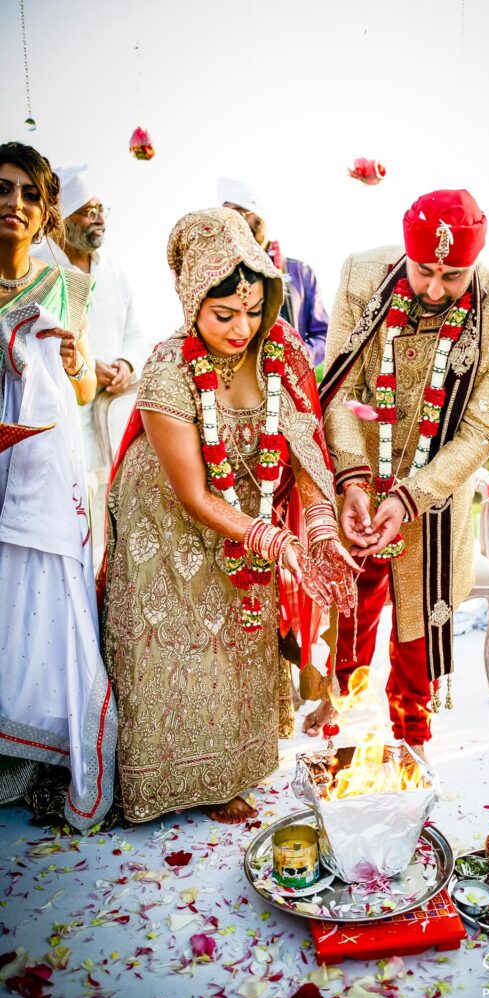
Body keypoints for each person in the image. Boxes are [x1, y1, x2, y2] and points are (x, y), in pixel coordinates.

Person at [101, 207, 356, 825]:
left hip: (247, 514)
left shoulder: (281, 353)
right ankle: (162, 779)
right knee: (175, 642)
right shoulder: (167, 366)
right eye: (224, 314)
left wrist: (318, 531)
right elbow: (192, 493)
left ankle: (231, 769)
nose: (242, 327)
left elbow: (304, 454)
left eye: (252, 310)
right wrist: (275, 538)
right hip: (162, 525)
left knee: (241, 630)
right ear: (192, 302)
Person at [307, 189, 489, 758]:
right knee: (351, 597)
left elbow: (481, 431)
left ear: (476, 264)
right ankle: (339, 694)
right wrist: (354, 482)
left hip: (434, 493)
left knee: (417, 618)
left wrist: (412, 497)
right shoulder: (364, 275)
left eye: (452, 277)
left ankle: (412, 737)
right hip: (359, 468)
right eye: (423, 271)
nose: (433, 289)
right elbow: (340, 388)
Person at [0, 141, 117, 830]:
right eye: (1, 189)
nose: (11, 203)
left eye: (26, 194)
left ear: (46, 213)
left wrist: (79, 360)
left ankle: (49, 753)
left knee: (47, 604)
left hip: (44, 469)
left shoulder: (68, 287)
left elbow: (78, 388)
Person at [34, 166, 148, 520]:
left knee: (116, 507)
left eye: (101, 210)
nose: (99, 219)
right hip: (63, 412)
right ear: (62, 219)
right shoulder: (39, 265)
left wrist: (126, 364)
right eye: (88, 211)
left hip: (115, 410)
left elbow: (136, 332)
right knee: (71, 507)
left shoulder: (114, 269)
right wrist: (87, 364)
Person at [217, 177, 329, 366]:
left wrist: (298, 359)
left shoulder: (301, 272)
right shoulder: (222, 273)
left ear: (261, 216)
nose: (239, 224)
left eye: (243, 214)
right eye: (231, 217)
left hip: (291, 381)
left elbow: (323, 335)